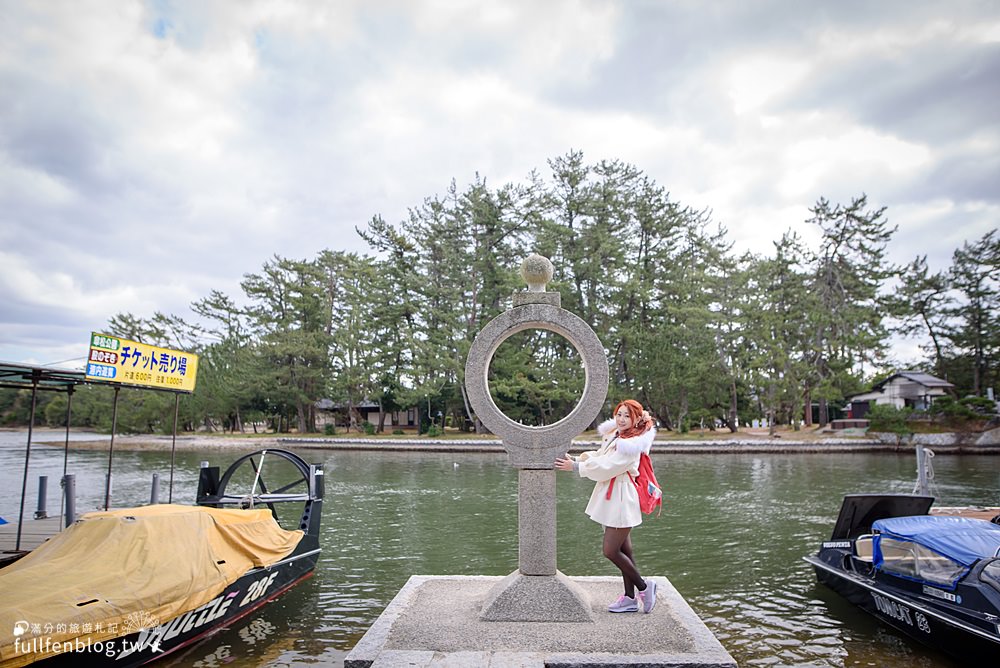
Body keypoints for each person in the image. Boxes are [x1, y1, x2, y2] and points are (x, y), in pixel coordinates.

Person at [555, 399, 657, 614]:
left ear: (637, 419)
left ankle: (644, 587)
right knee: (624, 550)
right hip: (614, 498)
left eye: (627, 416)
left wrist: (575, 467)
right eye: (619, 414)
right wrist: (577, 459)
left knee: (610, 551)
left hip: (621, 499)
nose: (621, 419)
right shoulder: (619, 436)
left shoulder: (631, 445)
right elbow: (602, 457)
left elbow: (608, 467)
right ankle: (630, 598)